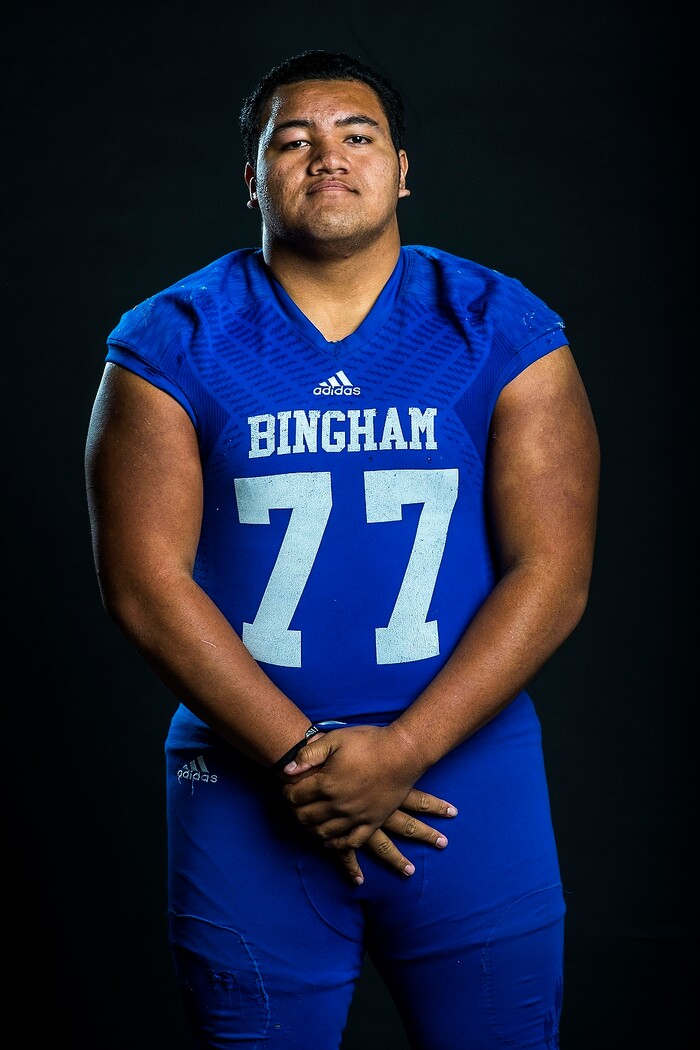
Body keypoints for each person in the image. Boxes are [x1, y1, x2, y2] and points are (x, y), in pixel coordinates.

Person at [85, 49, 599, 1050]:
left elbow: (555, 571)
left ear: (402, 168)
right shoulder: (170, 339)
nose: (328, 156)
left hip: (465, 778)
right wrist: (303, 758)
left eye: (355, 135)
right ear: (253, 179)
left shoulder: (502, 326)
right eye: (293, 139)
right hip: (245, 785)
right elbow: (144, 586)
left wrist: (402, 749)